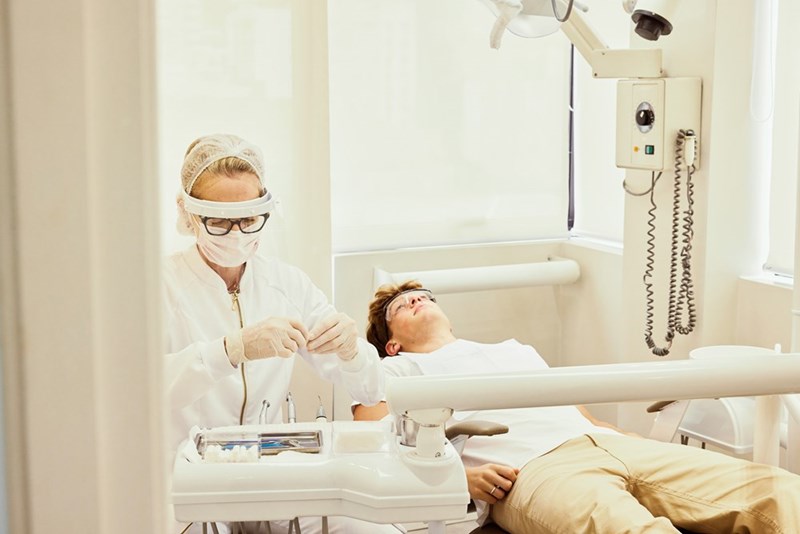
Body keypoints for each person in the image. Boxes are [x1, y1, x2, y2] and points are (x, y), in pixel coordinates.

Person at [354, 280, 800, 534]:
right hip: (531, 471)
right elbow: (369, 445)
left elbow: (580, 413)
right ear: (391, 344)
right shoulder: (390, 372)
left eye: (423, 294)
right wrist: (458, 479)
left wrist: (627, 439)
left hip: (608, 444)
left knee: (776, 492)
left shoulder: (515, 349)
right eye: (400, 306)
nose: (416, 299)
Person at [164, 134, 399, 534]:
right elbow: (137, 395)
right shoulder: (158, 286)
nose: (236, 234)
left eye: (248, 219)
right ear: (188, 215)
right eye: (219, 221)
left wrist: (351, 351)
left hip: (272, 476)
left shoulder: (286, 285)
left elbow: (370, 390)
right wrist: (230, 350)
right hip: (190, 483)